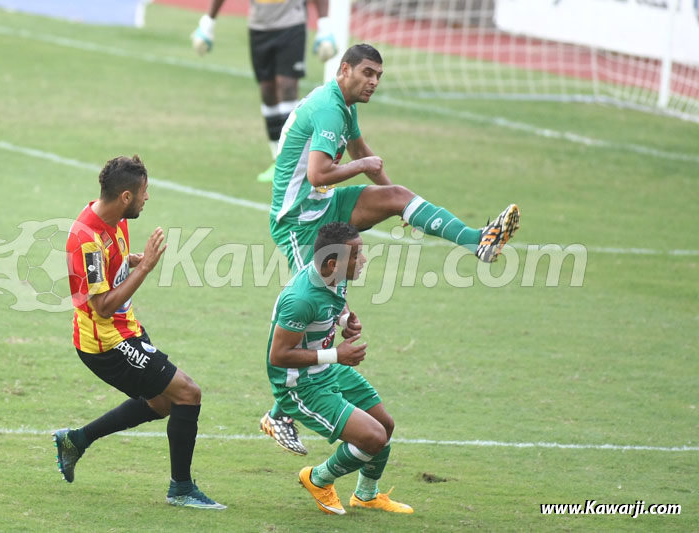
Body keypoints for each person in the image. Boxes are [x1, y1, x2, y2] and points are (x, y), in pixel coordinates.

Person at [259, 42, 521, 455]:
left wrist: (400, 204)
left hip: (324, 206)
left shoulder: (344, 106)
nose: (374, 82)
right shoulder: (328, 109)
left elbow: (363, 153)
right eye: (367, 73)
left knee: (396, 198)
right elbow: (318, 174)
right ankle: (280, 413)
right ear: (344, 70)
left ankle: (479, 241)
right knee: (318, 308)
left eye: (378, 76)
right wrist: (363, 168)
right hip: (298, 221)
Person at [53, 155, 225, 510]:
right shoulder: (87, 240)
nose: (148, 198)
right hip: (106, 344)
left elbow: (107, 264)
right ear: (126, 196)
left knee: (163, 403)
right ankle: (181, 489)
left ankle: (76, 440)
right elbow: (102, 306)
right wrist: (144, 267)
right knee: (188, 393)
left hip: (124, 330)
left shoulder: (111, 216)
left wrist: (128, 260)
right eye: (144, 192)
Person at [268, 222, 413, 515]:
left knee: (385, 425)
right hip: (301, 384)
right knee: (373, 438)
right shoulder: (300, 300)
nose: (364, 260)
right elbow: (279, 356)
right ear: (333, 263)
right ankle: (318, 479)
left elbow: (337, 300)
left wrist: (345, 320)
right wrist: (336, 354)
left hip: (327, 370)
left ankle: (366, 495)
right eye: (357, 255)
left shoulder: (333, 276)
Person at [191, 0, 337, 182]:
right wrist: (208, 22)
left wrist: (324, 25)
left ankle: (293, 159)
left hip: (291, 23)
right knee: (267, 90)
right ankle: (278, 159)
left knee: (287, 86)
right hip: (259, 26)